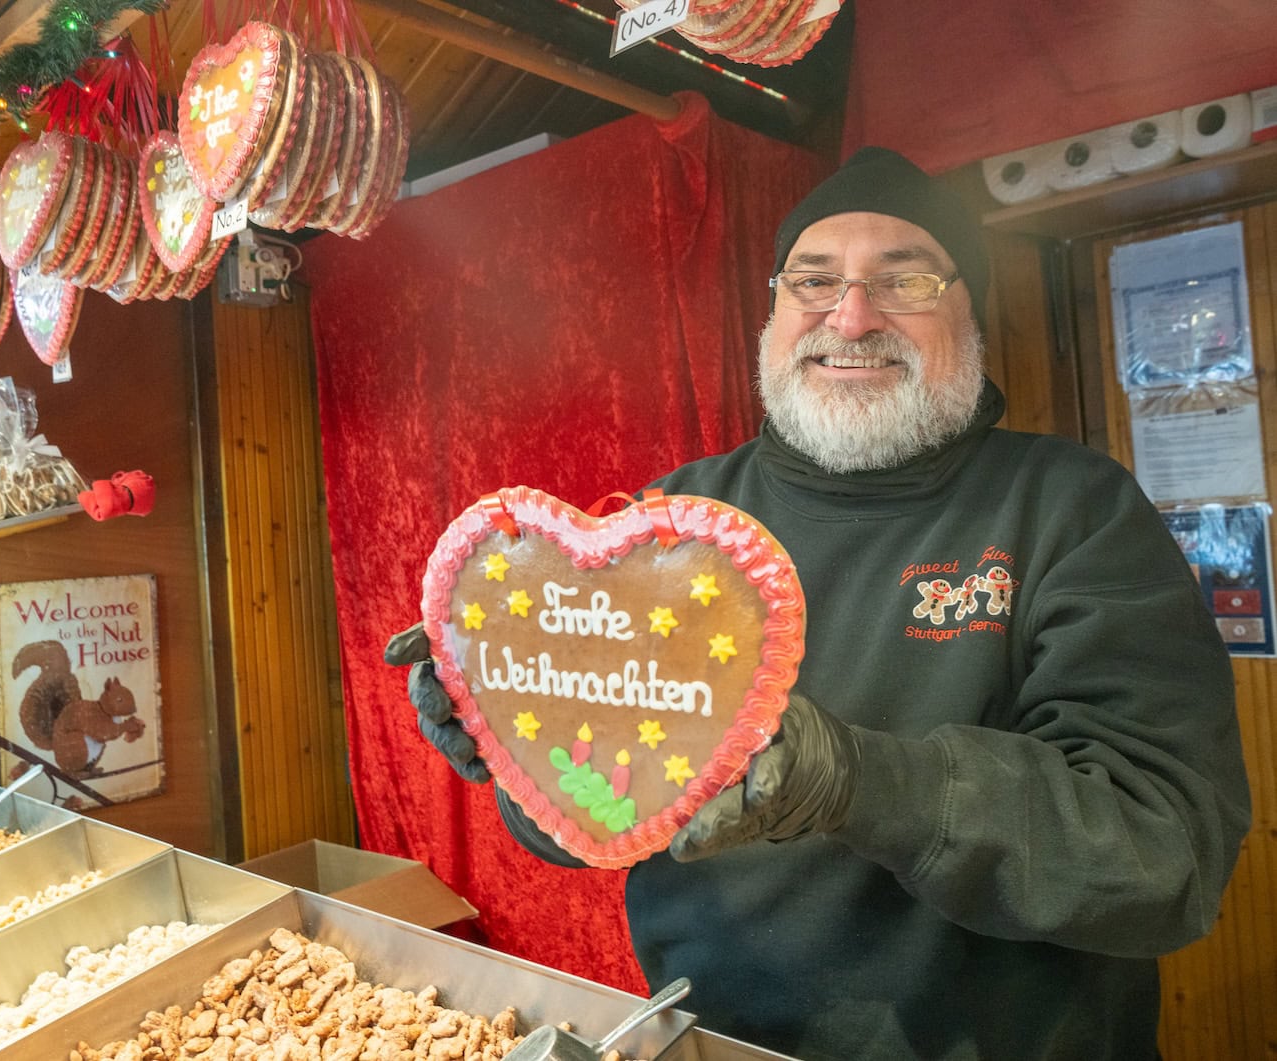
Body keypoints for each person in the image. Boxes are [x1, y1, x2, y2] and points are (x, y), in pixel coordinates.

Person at [385, 147, 1252, 1061]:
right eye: (815, 279)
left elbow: (1165, 853)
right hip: (723, 1044)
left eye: (904, 279)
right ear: (774, 311)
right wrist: (520, 744)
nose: (852, 315)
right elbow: (601, 814)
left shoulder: (1072, 510)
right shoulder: (674, 524)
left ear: (969, 314)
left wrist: (860, 781)